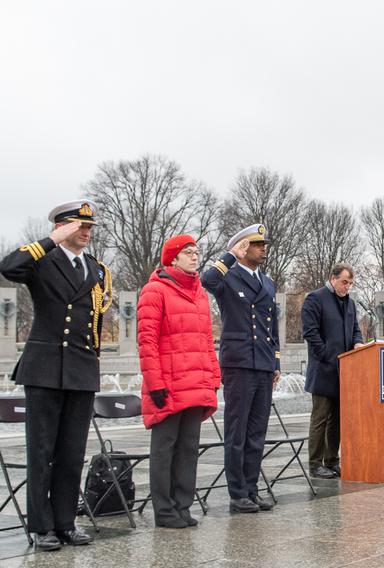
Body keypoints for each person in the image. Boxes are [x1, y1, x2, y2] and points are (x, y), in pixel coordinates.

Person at [0, 200, 111, 550]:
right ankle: (42, 526)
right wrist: (48, 241)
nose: (87, 232)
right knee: (42, 450)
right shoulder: (41, 260)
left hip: (80, 368)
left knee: (71, 451)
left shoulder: (95, 269)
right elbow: (8, 267)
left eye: (90, 227)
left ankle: (65, 522)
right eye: (80, 226)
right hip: (45, 367)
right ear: (62, 227)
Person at [138, 234, 221, 528]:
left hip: (196, 383)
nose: (195, 256)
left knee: (188, 448)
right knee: (165, 449)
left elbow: (207, 341)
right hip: (168, 384)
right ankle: (164, 510)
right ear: (172, 258)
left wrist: (214, 376)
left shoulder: (200, 294)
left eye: (196, 252)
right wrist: (155, 383)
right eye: (188, 252)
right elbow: (147, 342)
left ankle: (183, 506)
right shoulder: (154, 291)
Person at [201, 224, 280, 514]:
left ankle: (252, 488)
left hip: (262, 362)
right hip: (239, 362)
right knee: (237, 430)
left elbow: (272, 324)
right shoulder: (228, 276)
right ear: (244, 247)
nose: (264, 249)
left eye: (263, 244)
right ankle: (237, 493)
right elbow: (206, 281)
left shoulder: (268, 282)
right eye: (257, 244)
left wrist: (276, 361)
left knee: (257, 431)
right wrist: (229, 256)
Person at [301, 262, 365, 479]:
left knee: (337, 419)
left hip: (345, 370)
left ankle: (332, 460)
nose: (347, 286)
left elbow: (356, 329)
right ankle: (315, 464)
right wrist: (327, 355)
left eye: (350, 283)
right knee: (320, 418)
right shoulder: (315, 298)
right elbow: (310, 332)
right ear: (333, 278)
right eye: (344, 282)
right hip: (323, 369)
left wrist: (357, 343)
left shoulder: (350, 303)